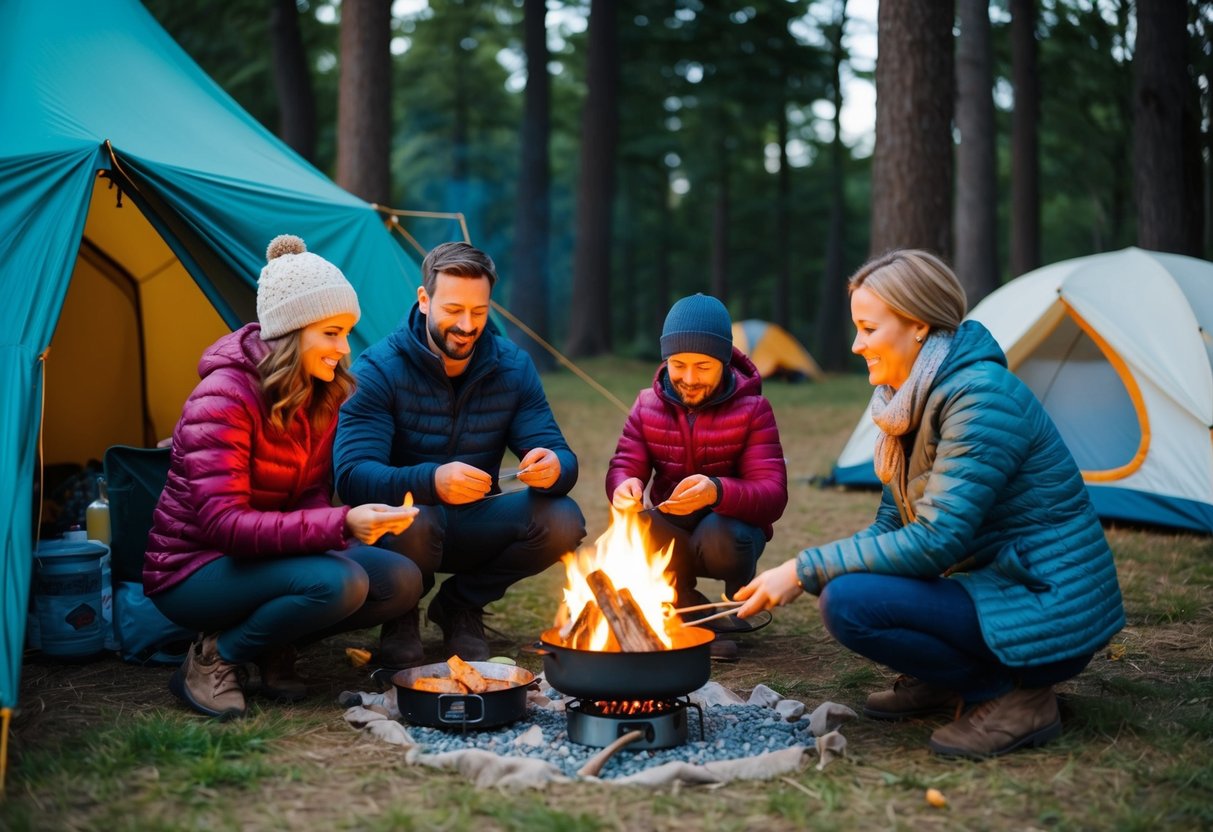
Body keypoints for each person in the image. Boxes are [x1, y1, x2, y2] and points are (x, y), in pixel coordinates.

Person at [735, 249, 1125, 759]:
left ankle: (1016, 696)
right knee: (850, 591)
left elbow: (937, 541)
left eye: (869, 329)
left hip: (1045, 602)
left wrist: (804, 570)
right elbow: (889, 527)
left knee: (849, 603)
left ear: (918, 326)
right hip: (1000, 586)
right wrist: (798, 571)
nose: (856, 345)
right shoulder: (910, 402)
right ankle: (945, 678)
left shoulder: (980, 398)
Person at [145, 235, 423, 720]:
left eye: (346, 333)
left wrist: (354, 521)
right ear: (293, 332)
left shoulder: (319, 393)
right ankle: (216, 657)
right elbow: (224, 526)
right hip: (194, 569)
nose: (344, 348)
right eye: (332, 333)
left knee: (399, 579)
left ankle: (273, 644)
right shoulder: (224, 398)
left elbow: (310, 492)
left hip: (266, 556)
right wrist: (341, 525)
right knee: (341, 584)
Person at [333, 241, 585, 665]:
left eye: (479, 312)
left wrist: (554, 466)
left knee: (563, 520)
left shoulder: (512, 366)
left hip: (476, 520)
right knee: (415, 516)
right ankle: (401, 613)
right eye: (453, 310)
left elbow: (561, 455)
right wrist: (430, 480)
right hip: (405, 528)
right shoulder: (377, 369)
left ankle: (460, 605)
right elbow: (352, 476)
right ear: (424, 299)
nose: (467, 325)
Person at [607, 293, 788, 625]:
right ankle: (684, 604)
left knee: (721, 535)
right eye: (678, 365)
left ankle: (738, 602)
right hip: (672, 526)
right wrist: (624, 486)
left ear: (723, 362)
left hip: (728, 532)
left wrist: (717, 491)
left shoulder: (754, 410)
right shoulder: (647, 405)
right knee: (633, 528)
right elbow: (624, 463)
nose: (689, 379)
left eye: (703, 366)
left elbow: (773, 494)